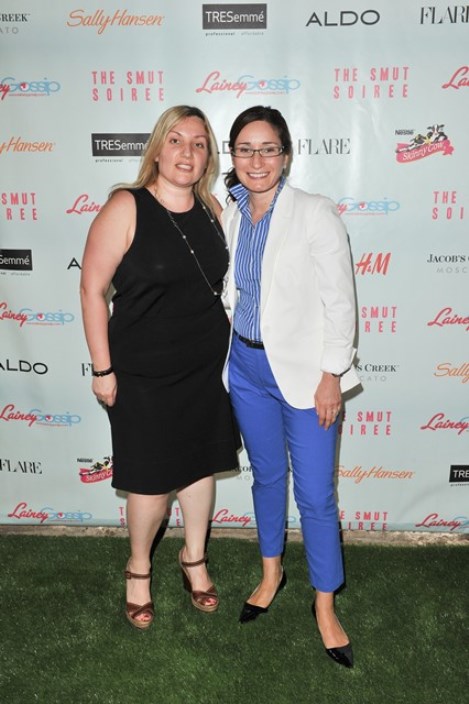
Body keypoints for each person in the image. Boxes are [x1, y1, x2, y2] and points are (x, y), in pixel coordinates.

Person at [80, 105, 240, 629]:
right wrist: (102, 369)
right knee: (149, 480)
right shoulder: (126, 206)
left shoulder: (212, 208)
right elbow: (92, 289)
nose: (187, 152)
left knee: (199, 466)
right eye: (176, 140)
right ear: (157, 149)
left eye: (199, 143)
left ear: (208, 157)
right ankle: (139, 568)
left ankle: (194, 559)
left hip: (205, 367)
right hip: (142, 372)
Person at [221, 106, 360, 667]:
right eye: (245, 149)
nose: (256, 160)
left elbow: (340, 302)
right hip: (245, 369)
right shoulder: (230, 214)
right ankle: (271, 573)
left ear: (286, 155)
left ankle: (325, 603)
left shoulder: (314, 212)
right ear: (233, 155)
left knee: (317, 496)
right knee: (266, 477)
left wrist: (331, 375)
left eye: (268, 148)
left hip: (306, 376)